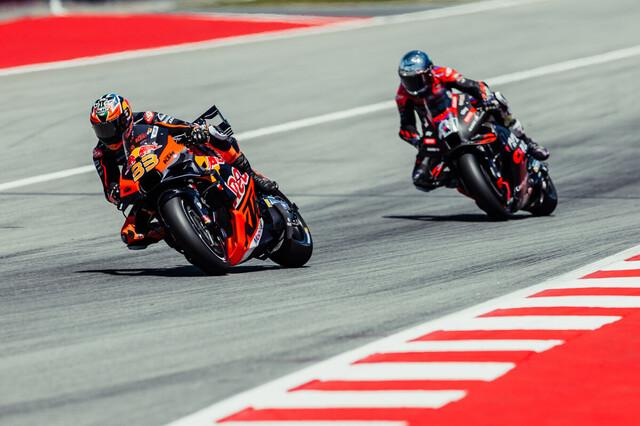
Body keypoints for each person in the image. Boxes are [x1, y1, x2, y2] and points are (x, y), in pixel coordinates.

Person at [90, 93, 278, 249]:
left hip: (174, 159)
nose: (107, 135)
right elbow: (109, 188)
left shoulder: (146, 118)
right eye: (101, 130)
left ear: (124, 119)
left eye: (110, 128)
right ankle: (173, 227)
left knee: (211, 133)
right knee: (130, 235)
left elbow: (176, 124)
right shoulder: (101, 154)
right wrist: (116, 193)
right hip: (148, 186)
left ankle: (251, 175)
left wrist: (193, 131)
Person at [395, 50, 549, 192]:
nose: (412, 84)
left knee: (497, 100)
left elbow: (473, 86)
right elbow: (406, 127)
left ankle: (526, 142)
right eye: (407, 79)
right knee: (420, 179)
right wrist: (418, 142)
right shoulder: (402, 96)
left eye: (417, 78)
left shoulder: (442, 73)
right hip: (434, 130)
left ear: (429, 72)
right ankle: (463, 178)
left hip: (458, 111)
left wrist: (486, 98)